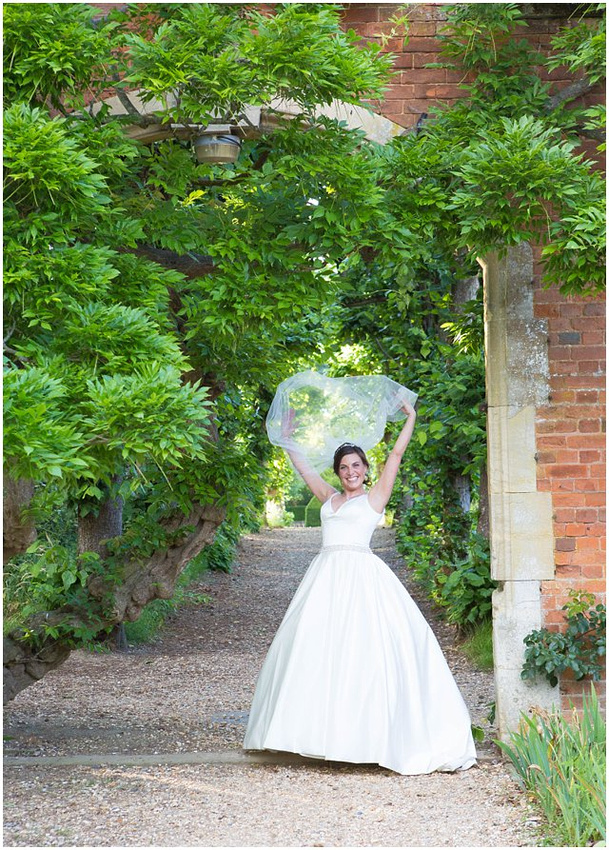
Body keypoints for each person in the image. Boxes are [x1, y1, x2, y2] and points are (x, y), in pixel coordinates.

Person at [243, 401, 477, 775]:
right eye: (343, 467)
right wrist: (287, 437)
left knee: (364, 653)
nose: (350, 472)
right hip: (324, 580)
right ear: (337, 473)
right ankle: (320, 736)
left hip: (362, 578)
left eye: (356, 465)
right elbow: (303, 467)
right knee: (318, 652)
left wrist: (411, 418)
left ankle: (368, 740)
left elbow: (397, 454)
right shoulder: (329, 499)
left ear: (366, 470)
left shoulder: (374, 498)